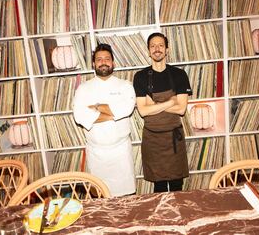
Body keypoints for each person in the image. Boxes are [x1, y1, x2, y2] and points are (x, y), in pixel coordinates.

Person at [73, 43, 136, 197]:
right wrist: (113, 113)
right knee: (100, 199)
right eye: (99, 59)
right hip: (96, 154)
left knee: (126, 200)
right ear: (94, 64)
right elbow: (80, 116)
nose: (103, 62)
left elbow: (127, 109)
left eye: (107, 59)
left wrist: (96, 107)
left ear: (113, 62)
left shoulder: (125, 86)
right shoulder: (83, 89)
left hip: (121, 152)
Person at [133, 32, 192, 193]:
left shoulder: (179, 75)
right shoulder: (140, 77)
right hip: (152, 139)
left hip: (174, 138)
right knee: (158, 186)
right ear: (148, 51)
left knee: (176, 185)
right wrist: (170, 101)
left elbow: (181, 109)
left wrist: (155, 103)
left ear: (167, 49)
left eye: (160, 45)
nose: (156, 49)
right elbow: (143, 111)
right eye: (152, 46)